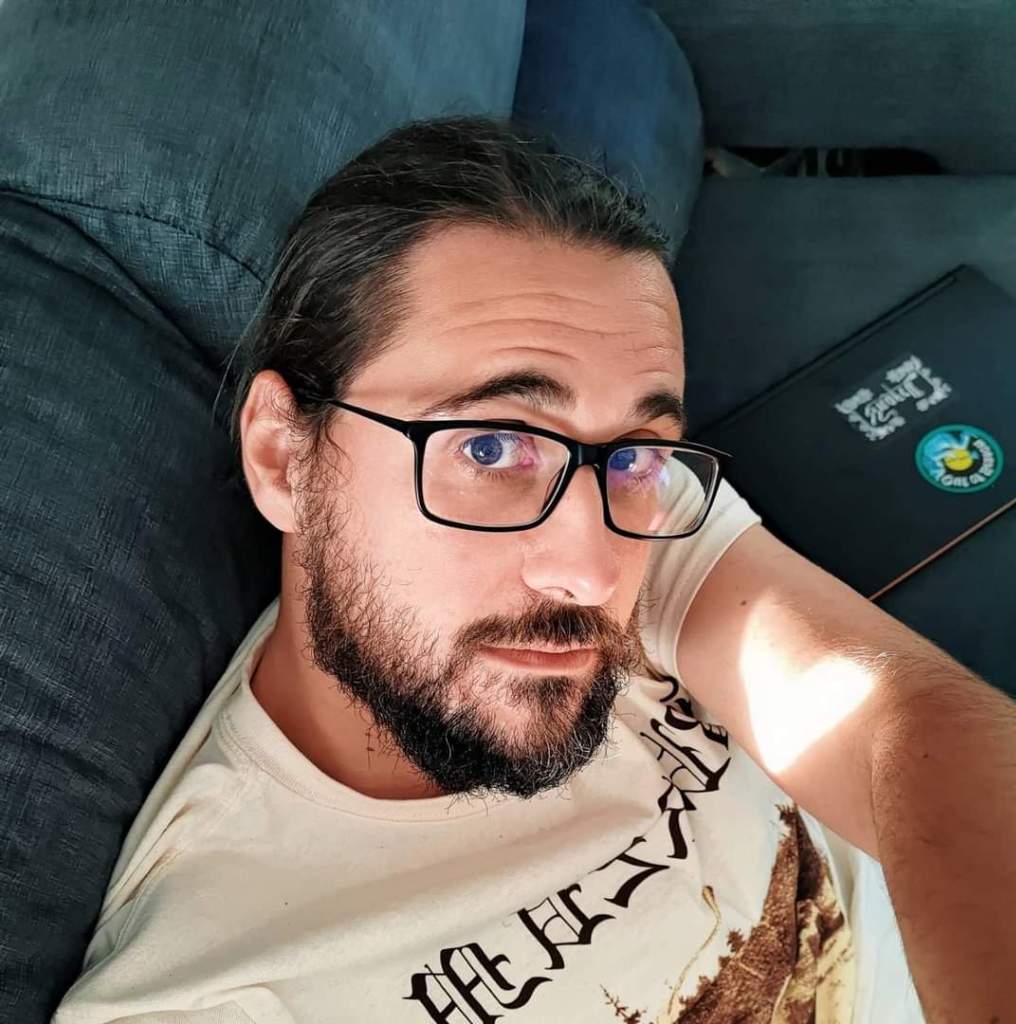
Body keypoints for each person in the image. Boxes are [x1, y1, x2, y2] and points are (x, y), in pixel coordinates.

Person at [50, 116, 932, 1023]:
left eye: (638, 451)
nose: (594, 575)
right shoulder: (213, 993)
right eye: (490, 447)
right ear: (285, 458)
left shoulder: (645, 506)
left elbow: (915, 742)